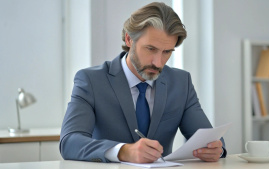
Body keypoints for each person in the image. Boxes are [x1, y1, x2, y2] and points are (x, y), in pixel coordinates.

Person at [60, 2, 227, 163]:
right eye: (151, 49)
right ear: (129, 39)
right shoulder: (91, 81)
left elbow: (208, 139)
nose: (158, 62)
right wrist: (123, 151)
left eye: (167, 52)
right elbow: (69, 142)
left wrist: (215, 149)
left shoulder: (181, 82)